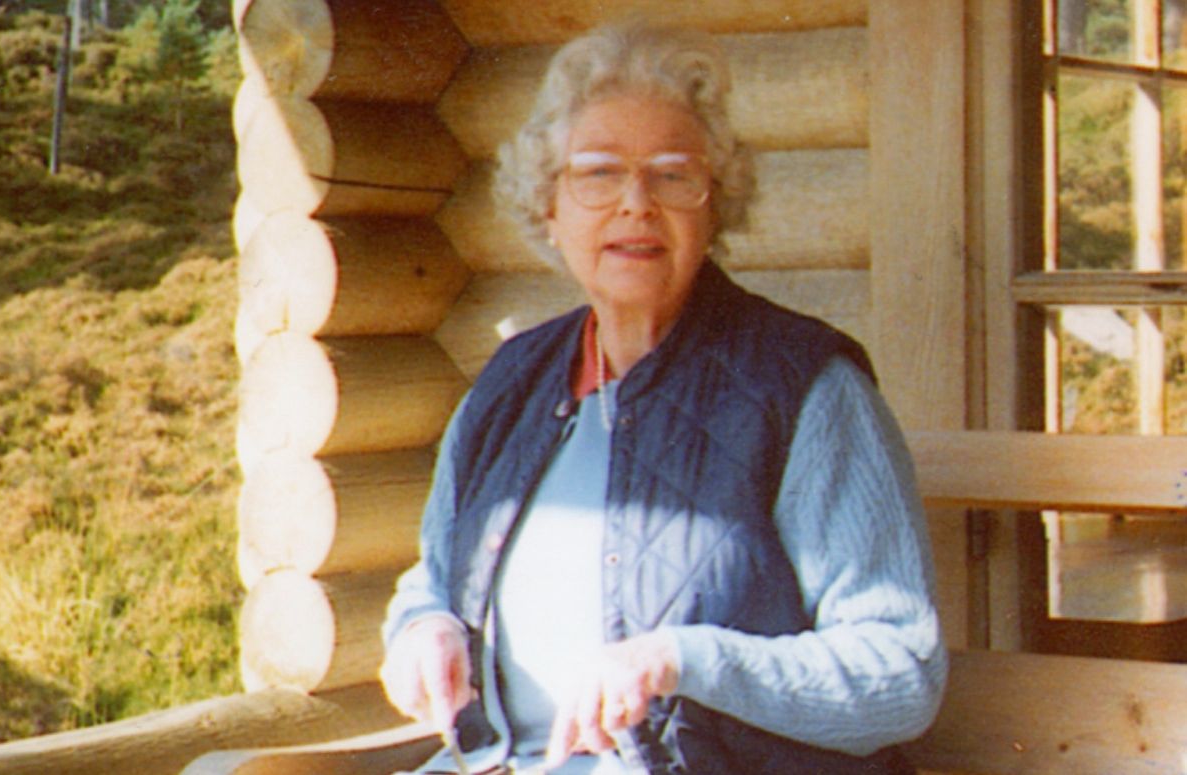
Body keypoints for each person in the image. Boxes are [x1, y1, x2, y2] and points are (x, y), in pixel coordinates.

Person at [380, 20, 947, 775]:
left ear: (714, 209)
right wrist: (423, 627)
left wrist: (679, 660)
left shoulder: (805, 388)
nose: (636, 203)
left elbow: (900, 672)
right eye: (597, 174)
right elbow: (432, 577)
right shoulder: (508, 383)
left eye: (674, 175)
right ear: (549, 206)